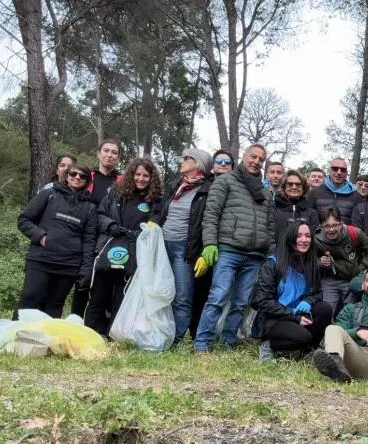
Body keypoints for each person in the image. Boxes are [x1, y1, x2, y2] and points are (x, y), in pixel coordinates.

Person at [195, 143, 275, 352]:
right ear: (244, 157)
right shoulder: (226, 182)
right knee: (218, 297)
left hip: (255, 256)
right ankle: (202, 343)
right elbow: (211, 214)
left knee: (240, 303)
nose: (256, 161)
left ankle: (227, 343)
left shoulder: (265, 193)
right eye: (253, 157)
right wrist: (210, 244)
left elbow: (270, 227)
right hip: (229, 250)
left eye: (260, 159)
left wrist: (270, 254)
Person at [85, 158, 164, 336]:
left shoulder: (156, 200)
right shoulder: (116, 192)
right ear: (131, 175)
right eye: (137, 174)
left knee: (122, 296)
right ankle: (89, 333)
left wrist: (140, 234)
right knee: (98, 295)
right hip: (108, 246)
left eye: (146, 176)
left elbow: (155, 222)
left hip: (135, 252)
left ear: (152, 179)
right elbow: (101, 213)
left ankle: (113, 334)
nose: (141, 179)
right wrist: (111, 226)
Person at [16, 165, 97, 318]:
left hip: (69, 266)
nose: (77, 177)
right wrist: (40, 236)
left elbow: (89, 241)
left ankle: (47, 342)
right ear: (67, 176)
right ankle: (16, 338)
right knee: (29, 300)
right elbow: (24, 220)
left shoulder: (90, 208)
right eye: (74, 174)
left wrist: (86, 270)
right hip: (40, 260)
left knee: (54, 307)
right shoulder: (49, 194)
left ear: (87, 181)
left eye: (83, 176)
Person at [251, 222, 332, 359]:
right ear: (290, 238)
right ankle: (269, 345)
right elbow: (263, 301)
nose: (304, 240)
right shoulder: (272, 263)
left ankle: (307, 351)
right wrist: (294, 317)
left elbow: (317, 292)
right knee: (303, 337)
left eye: (307, 236)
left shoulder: (312, 264)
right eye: (299, 236)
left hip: (298, 313)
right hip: (274, 319)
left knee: (325, 309)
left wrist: (308, 301)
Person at [159, 148, 215, 343]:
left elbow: (208, 221)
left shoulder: (208, 189)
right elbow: (163, 212)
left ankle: (176, 339)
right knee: (161, 292)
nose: (181, 161)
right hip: (163, 245)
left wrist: (204, 250)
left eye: (186, 158)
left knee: (182, 296)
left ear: (198, 163)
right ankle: (160, 334)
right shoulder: (176, 185)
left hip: (184, 249)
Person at [71, 139, 122, 318]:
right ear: (99, 154)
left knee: (103, 282)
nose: (109, 155)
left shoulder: (121, 181)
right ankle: (75, 319)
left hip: (108, 237)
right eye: (106, 151)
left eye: (114, 152)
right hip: (82, 235)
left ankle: (99, 323)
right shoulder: (86, 176)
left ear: (118, 157)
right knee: (82, 279)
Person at [314, 206, 368, 315]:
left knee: (351, 313)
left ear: (341, 223)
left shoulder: (354, 233)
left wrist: (360, 268)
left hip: (351, 279)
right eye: (327, 226)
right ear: (321, 226)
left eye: (335, 225)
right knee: (327, 311)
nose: (331, 230)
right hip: (329, 280)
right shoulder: (315, 239)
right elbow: (308, 260)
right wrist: (320, 262)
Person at [306, 158, 362, 224]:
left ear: (346, 173)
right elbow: (308, 218)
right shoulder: (315, 193)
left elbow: (358, 224)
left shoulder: (356, 196)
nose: (339, 172)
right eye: (335, 169)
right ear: (329, 171)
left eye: (343, 170)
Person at [272, 170, 319, 239]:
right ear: (284, 187)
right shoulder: (274, 209)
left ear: (304, 188)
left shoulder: (311, 213)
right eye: (290, 184)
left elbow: (315, 237)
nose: (294, 187)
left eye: (298, 184)